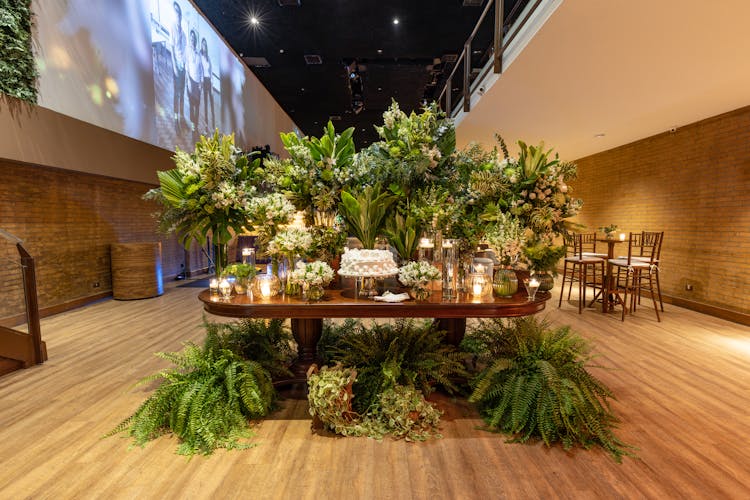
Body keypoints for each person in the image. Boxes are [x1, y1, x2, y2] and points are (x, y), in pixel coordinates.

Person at [171, 1, 187, 134]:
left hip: (183, 67)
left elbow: (185, 52)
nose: (178, 15)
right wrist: (175, 66)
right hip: (176, 66)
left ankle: (181, 118)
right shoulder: (172, 28)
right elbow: (171, 48)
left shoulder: (184, 34)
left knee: (182, 94)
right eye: (175, 12)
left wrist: (184, 67)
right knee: (176, 94)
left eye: (179, 13)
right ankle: (175, 121)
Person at [186, 28, 203, 142]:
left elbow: (201, 69)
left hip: (198, 83)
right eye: (191, 38)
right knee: (192, 106)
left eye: (194, 39)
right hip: (190, 82)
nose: (192, 40)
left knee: (197, 106)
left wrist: (201, 82)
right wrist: (188, 81)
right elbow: (187, 67)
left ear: (195, 40)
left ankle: (195, 127)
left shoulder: (199, 54)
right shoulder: (187, 51)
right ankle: (193, 130)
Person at [200, 38, 215, 131]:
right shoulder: (200, 56)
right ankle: (206, 127)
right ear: (201, 46)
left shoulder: (208, 57)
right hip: (204, 81)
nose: (204, 46)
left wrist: (212, 86)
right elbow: (200, 71)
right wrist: (201, 84)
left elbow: (211, 71)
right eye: (202, 44)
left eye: (205, 45)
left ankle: (213, 127)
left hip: (209, 81)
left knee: (212, 104)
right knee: (205, 104)